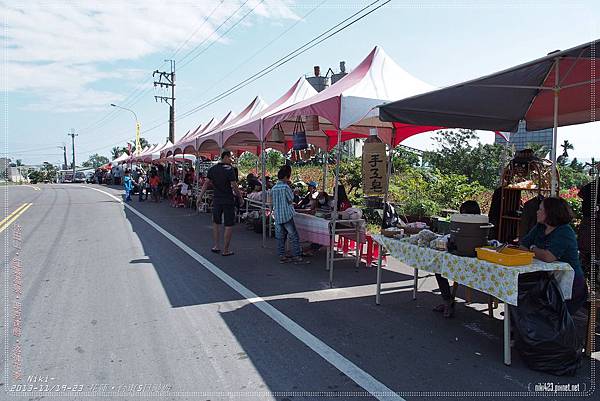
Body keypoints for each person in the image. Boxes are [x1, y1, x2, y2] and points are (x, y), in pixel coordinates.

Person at [520, 197, 588, 315]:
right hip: (547, 280)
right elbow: (523, 245)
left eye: (541, 209)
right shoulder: (540, 227)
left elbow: (548, 257)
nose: (537, 212)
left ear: (550, 213)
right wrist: (535, 250)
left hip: (570, 284)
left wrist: (532, 248)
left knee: (550, 315)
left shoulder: (564, 231)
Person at [433, 200, 481, 318]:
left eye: (463, 212)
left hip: (474, 261)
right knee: (439, 267)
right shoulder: (461, 222)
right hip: (459, 256)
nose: (462, 214)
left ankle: (448, 302)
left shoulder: (480, 224)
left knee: (441, 268)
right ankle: (447, 300)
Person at [198, 150, 244, 256]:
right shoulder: (230, 169)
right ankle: (226, 250)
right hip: (228, 200)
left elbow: (206, 184)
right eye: (232, 157)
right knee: (228, 224)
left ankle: (216, 246)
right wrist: (240, 197)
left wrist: (200, 197)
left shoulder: (212, 169)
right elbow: (234, 186)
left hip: (217, 200)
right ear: (226, 157)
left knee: (216, 223)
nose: (233, 159)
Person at [271, 166, 309, 264]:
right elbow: (291, 199)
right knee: (294, 236)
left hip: (278, 215)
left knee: (280, 237)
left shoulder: (274, 188)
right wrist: (294, 193)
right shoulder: (286, 187)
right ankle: (296, 256)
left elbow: (271, 201)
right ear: (285, 177)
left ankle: (281, 255)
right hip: (287, 215)